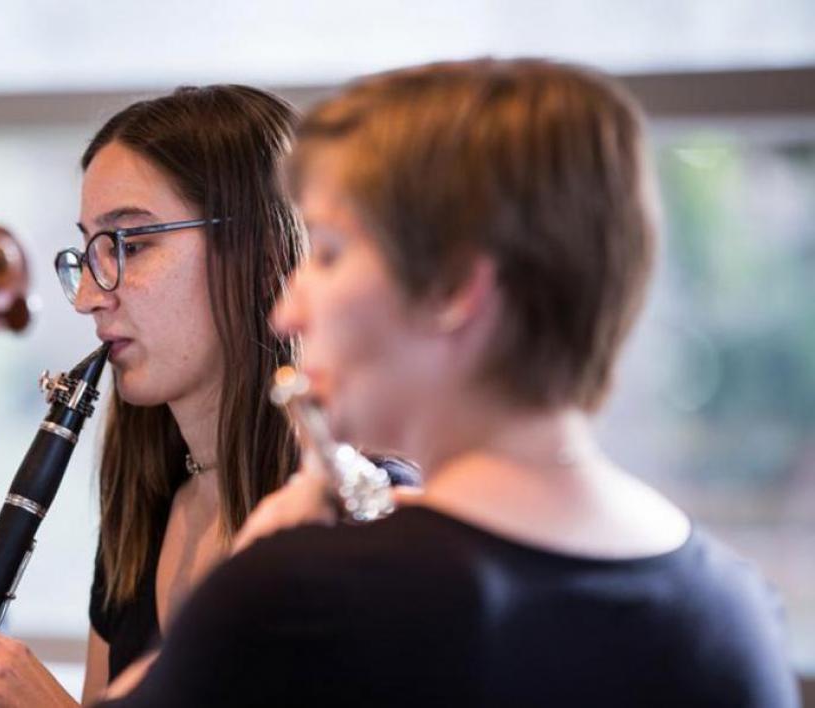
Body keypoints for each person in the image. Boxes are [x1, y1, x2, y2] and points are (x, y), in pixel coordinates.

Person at [96, 59, 800, 706]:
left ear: (457, 287)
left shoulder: (299, 597)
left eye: (331, 252)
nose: (289, 306)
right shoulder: (738, 613)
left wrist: (243, 583)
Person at [0, 85, 309, 706]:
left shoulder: (364, 520)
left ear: (261, 252)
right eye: (88, 252)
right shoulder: (143, 511)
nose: (90, 295)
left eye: (130, 246)